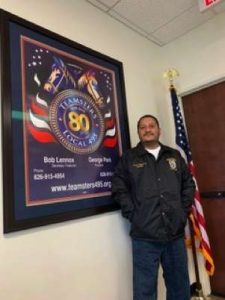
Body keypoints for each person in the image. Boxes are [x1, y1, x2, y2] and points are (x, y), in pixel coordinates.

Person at [112, 114, 195, 300]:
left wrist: (182, 211)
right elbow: (119, 188)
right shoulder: (129, 158)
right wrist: (134, 214)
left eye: (151, 126)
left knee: (179, 286)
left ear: (159, 129)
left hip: (175, 234)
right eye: (143, 127)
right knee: (144, 290)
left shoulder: (174, 156)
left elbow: (188, 184)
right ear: (138, 132)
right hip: (145, 237)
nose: (147, 129)